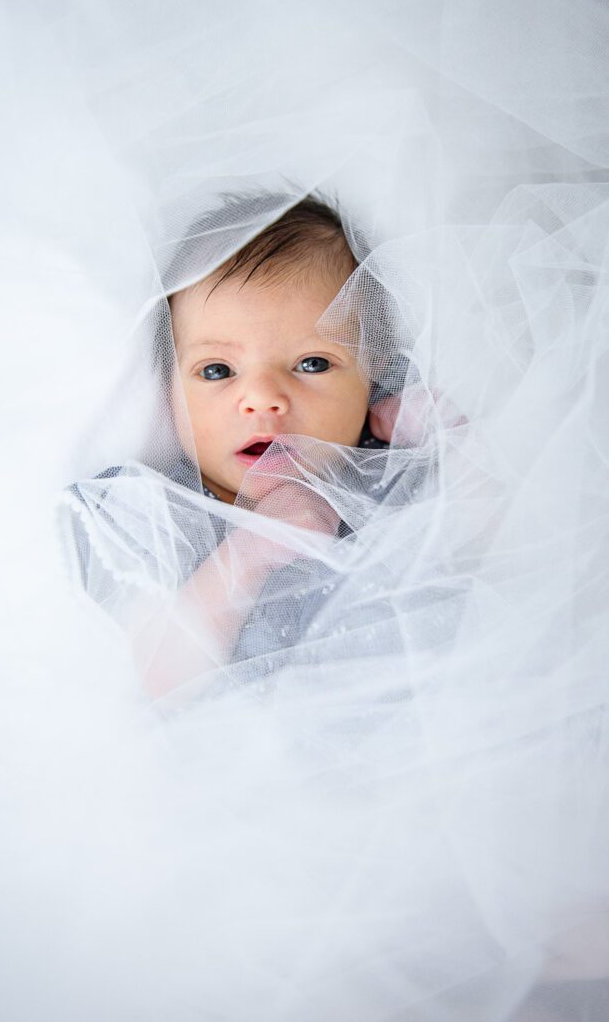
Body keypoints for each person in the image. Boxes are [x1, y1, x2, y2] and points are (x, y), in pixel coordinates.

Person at [61, 194, 431, 699]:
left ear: (373, 372)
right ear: (167, 390)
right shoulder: (153, 512)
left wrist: (449, 440)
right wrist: (246, 557)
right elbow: (150, 679)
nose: (262, 399)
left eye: (313, 363)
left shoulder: (393, 475)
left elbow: (499, 554)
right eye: (217, 371)